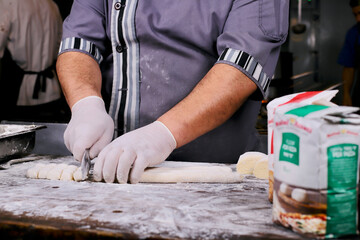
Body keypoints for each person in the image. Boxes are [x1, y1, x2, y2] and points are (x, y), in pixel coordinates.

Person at [57, 0, 289, 184]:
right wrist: (85, 103)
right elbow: (79, 42)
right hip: (109, 171)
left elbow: (241, 66)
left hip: (214, 178)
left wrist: (161, 135)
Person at [0, 0, 65, 122]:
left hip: (19, 94)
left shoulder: (8, 3)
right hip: (52, 92)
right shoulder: (51, 4)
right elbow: (60, 46)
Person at [338, 0, 360, 107]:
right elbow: (349, 68)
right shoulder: (354, 34)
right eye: (355, 15)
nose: (358, 19)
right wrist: (346, 94)